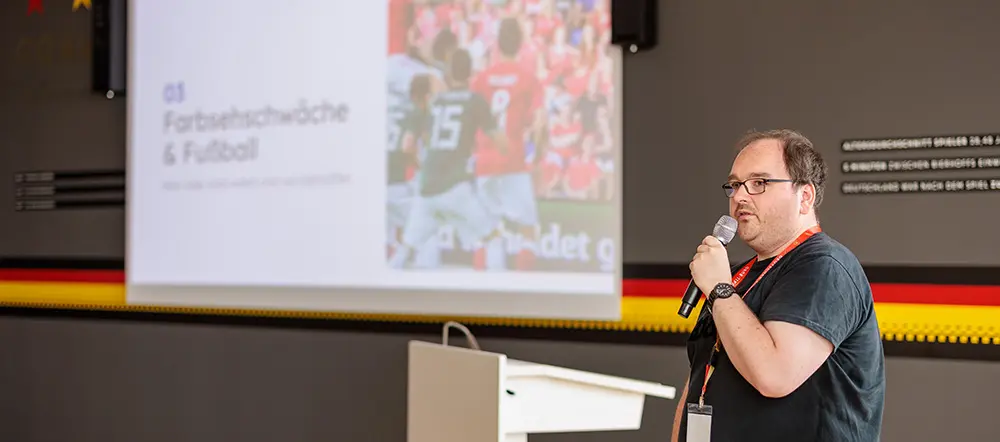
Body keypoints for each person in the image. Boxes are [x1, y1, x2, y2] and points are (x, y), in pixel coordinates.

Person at [672, 129, 886, 442]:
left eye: (759, 183)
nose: (740, 196)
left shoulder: (824, 265)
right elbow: (699, 378)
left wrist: (719, 289)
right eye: (735, 185)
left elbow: (774, 376)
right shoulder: (736, 275)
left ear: (805, 197)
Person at [388, 49, 509, 270]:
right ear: (470, 73)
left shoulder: (433, 102)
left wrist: (421, 165)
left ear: (449, 74)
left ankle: (380, 292)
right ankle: (502, 298)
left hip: (427, 190)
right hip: (455, 188)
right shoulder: (475, 101)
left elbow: (407, 144)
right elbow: (502, 144)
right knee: (494, 239)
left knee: (405, 249)